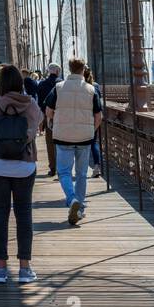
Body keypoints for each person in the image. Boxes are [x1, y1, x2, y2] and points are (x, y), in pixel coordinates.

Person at [0, 63, 42, 284]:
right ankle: (25, 269)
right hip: (24, 165)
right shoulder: (32, 105)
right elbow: (36, 128)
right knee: (24, 214)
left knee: (0, 212)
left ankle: (1, 269)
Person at [45, 57, 102, 225]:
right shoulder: (91, 90)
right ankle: (80, 209)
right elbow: (98, 116)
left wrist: (52, 123)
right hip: (85, 138)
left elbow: (48, 110)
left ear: (69, 69)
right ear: (83, 69)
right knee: (82, 174)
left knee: (63, 172)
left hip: (63, 136)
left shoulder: (58, 87)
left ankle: (71, 200)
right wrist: (91, 130)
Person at [36, 63, 61, 177]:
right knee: (61, 143)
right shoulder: (62, 83)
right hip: (61, 116)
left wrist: (41, 121)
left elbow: (40, 103)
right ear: (57, 71)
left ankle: (53, 167)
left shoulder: (41, 84)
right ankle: (62, 167)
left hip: (47, 116)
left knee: (50, 143)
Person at [84, 66, 104, 178]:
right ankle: (97, 166)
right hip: (94, 117)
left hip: (83, 117)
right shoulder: (95, 85)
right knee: (93, 143)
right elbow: (98, 102)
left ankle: (81, 167)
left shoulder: (82, 86)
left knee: (79, 144)